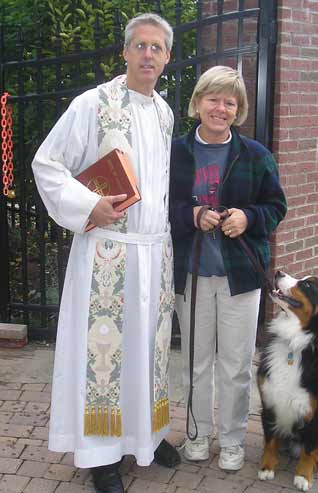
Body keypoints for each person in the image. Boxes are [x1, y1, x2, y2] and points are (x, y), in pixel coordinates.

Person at [32, 13, 180, 493]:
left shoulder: (164, 112)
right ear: (124, 52)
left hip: (154, 254)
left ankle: (148, 435)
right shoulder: (92, 105)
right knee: (104, 355)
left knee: (148, 351)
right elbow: (47, 164)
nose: (147, 55)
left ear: (167, 58)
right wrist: (88, 203)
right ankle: (101, 456)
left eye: (156, 48)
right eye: (139, 45)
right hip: (107, 256)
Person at [169, 65, 287, 471]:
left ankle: (234, 439)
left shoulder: (255, 154)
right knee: (196, 362)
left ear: (239, 110)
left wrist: (249, 218)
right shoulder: (175, 153)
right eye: (213, 99)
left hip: (240, 278)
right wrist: (192, 215)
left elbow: (276, 206)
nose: (220, 108)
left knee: (235, 366)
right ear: (198, 102)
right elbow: (162, 208)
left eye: (229, 102)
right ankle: (198, 434)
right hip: (191, 274)